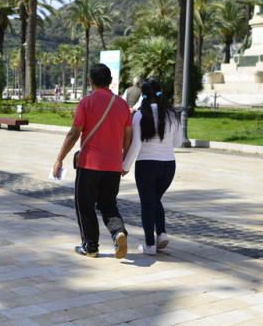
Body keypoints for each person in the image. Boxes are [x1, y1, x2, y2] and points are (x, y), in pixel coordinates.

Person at [52, 63, 132, 258]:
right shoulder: (122, 105)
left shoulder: (86, 102)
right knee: (108, 204)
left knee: (85, 205)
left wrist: (59, 159)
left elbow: (74, 133)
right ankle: (118, 232)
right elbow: (128, 135)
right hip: (113, 166)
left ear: (91, 81)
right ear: (110, 81)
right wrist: (123, 159)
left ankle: (91, 246)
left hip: (89, 164)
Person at [122, 78, 183, 255]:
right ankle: (161, 233)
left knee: (147, 204)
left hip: (147, 165)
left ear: (143, 95)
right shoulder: (172, 114)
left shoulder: (141, 115)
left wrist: (125, 166)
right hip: (169, 166)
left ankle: (149, 245)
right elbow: (178, 142)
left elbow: (136, 145)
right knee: (155, 200)